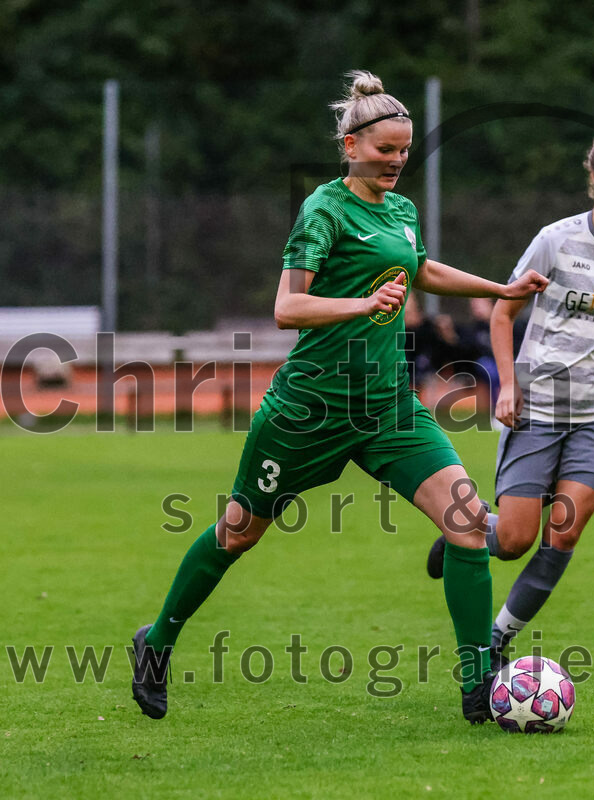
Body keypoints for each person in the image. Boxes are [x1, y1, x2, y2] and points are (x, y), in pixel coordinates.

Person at [130, 71, 548, 725]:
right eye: (386, 150)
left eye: (405, 151)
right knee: (239, 532)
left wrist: (503, 290)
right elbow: (286, 307)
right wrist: (362, 302)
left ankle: (476, 686)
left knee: (467, 524)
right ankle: (155, 643)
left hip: (386, 407)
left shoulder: (402, 212)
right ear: (351, 146)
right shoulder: (323, 209)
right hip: (309, 410)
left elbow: (423, 269)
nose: (397, 161)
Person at [426, 127, 594, 667]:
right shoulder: (554, 239)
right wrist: (507, 385)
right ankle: (464, 535)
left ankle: (497, 639)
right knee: (517, 538)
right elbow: (503, 312)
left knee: (563, 531)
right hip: (538, 405)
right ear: (592, 175)